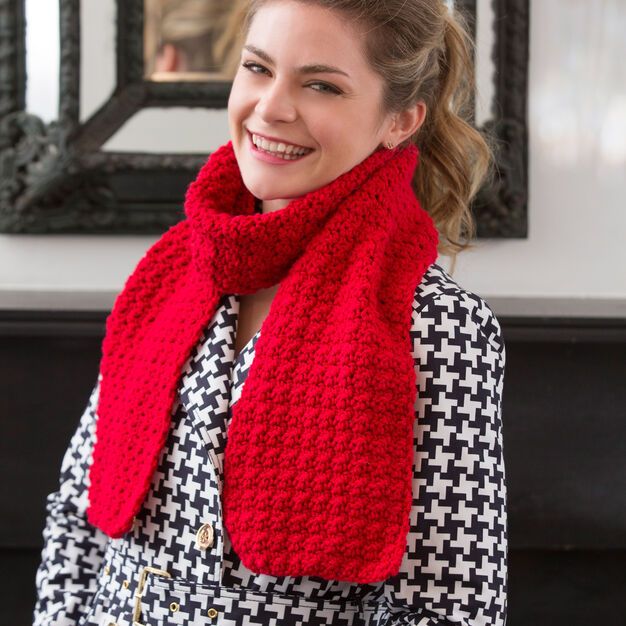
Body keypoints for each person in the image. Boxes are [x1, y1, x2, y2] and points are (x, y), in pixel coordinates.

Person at [33, 1, 508, 625]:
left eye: (321, 85)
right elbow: (78, 517)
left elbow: (452, 609)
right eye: (258, 68)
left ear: (399, 120)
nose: (273, 107)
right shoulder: (172, 276)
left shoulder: (438, 326)